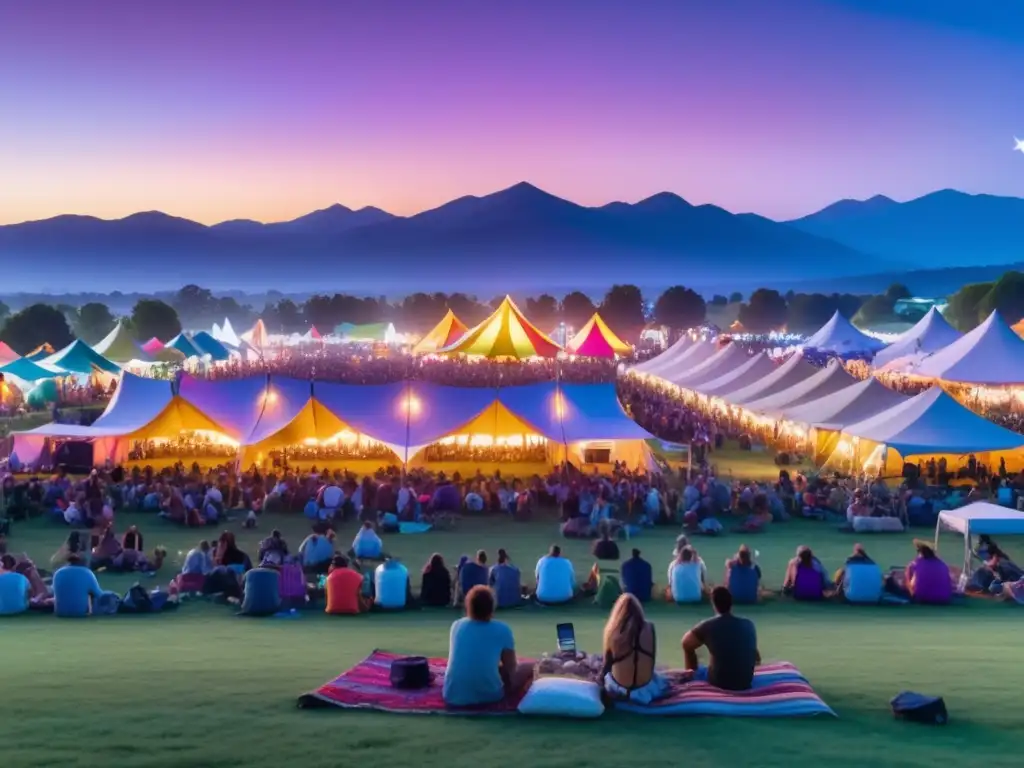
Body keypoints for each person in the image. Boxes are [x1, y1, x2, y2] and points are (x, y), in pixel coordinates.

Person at [443, 585, 533, 707]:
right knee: (530, 667)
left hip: (452, 695)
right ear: (492, 607)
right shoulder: (502, 629)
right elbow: (512, 668)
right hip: (490, 696)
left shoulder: (457, 625)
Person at [682, 586, 760, 691]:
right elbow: (757, 658)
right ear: (731, 603)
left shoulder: (708, 625)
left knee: (696, 663)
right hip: (745, 682)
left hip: (720, 683)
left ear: (713, 604)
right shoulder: (748, 624)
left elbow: (686, 642)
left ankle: (690, 675)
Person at [601, 593, 667, 704]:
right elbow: (651, 662)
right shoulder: (649, 628)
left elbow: (606, 667)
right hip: (646, 690)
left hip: (620, 689)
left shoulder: (613, 633)